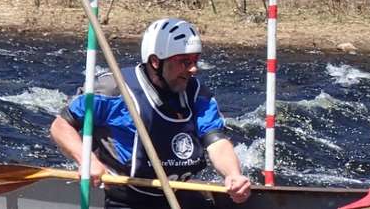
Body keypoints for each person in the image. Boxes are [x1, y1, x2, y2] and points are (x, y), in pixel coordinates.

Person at [51, 18, 251, 208]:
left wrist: (233, 174)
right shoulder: (114, 90)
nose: (193, 69)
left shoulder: (198, 95)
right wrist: (87, 161)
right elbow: (61, 126)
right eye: (185, 61)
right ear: (156, 62)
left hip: (177, 193)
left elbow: (216, 142)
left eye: (195, 60)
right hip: (128, 198)